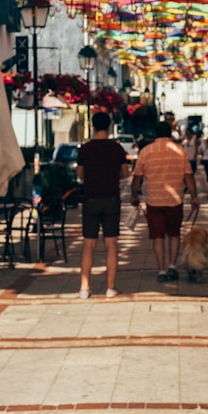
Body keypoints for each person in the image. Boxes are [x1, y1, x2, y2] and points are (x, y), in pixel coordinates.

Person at [131, 121, 200, 282]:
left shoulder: (145, 152)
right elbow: (188, 176)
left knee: (158, 237)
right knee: (174, 233)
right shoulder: (180, 151)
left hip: (154, 201)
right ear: (170, 133)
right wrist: (194, 196)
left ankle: (161, 270)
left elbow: (137, 178)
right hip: (175, 200)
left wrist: (134, 195)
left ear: (155, 134)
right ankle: (172, 266)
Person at [76, 112, 131, 299]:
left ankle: (84, 287)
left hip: (90, 199)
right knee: (111, 244)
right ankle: (110, 287)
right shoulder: (117, 148)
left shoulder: (85, 149)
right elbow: (125, 174)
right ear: (109, 126)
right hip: (111, 199)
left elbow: (80, 174)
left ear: (93, 126)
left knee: (88, 244)